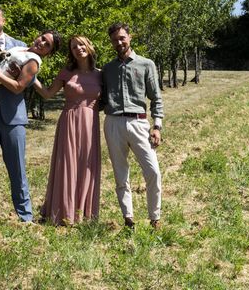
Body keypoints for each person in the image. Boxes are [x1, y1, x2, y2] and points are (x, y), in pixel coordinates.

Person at [0, 4, 61, 223]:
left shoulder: (22, 49)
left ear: (3, 21)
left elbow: (23, 84)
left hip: (14, 117)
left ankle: (25, 217)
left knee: (17, 168)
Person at [101, 23, 164, 230]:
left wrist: (157, 126)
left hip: (139, 123)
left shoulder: (146, 64)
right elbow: (101, 99)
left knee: (153, 171)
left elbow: (156, 98)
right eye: (114, 40)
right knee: (120, 173)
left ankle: (155, 217)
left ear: (129, 37)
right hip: (113, 123)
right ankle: (128, 218)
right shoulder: (107, 69)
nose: (118, 42)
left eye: (122, 38)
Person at [33, 36, 101, 225]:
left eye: (81, 44)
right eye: (73, 46)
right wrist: (30, 77)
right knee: (67, 164)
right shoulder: (66, 72)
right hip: (69, 122)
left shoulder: (100, 74)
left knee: (87, 165)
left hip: (90, 123)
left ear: (89, 46)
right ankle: (63, 211)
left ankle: (84, 212)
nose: (78, 48)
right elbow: (47, 94)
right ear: (71, 52)